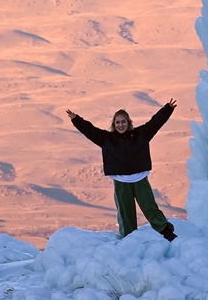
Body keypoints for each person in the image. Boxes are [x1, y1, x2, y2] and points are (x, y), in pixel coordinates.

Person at [66, 103, 178, 241]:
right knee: (126, 212)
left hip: (140, 178)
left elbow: (155, 123)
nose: (120, 125)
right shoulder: (107, 139)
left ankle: (166, 231)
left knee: (149, 206)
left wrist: (168, 109)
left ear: (128, 123)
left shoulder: (141, 134)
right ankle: (129, 238)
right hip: (121, 181)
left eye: (123, 122)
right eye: (117, 122)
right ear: (114, 124)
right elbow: (90, 131)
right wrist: (76, 119)